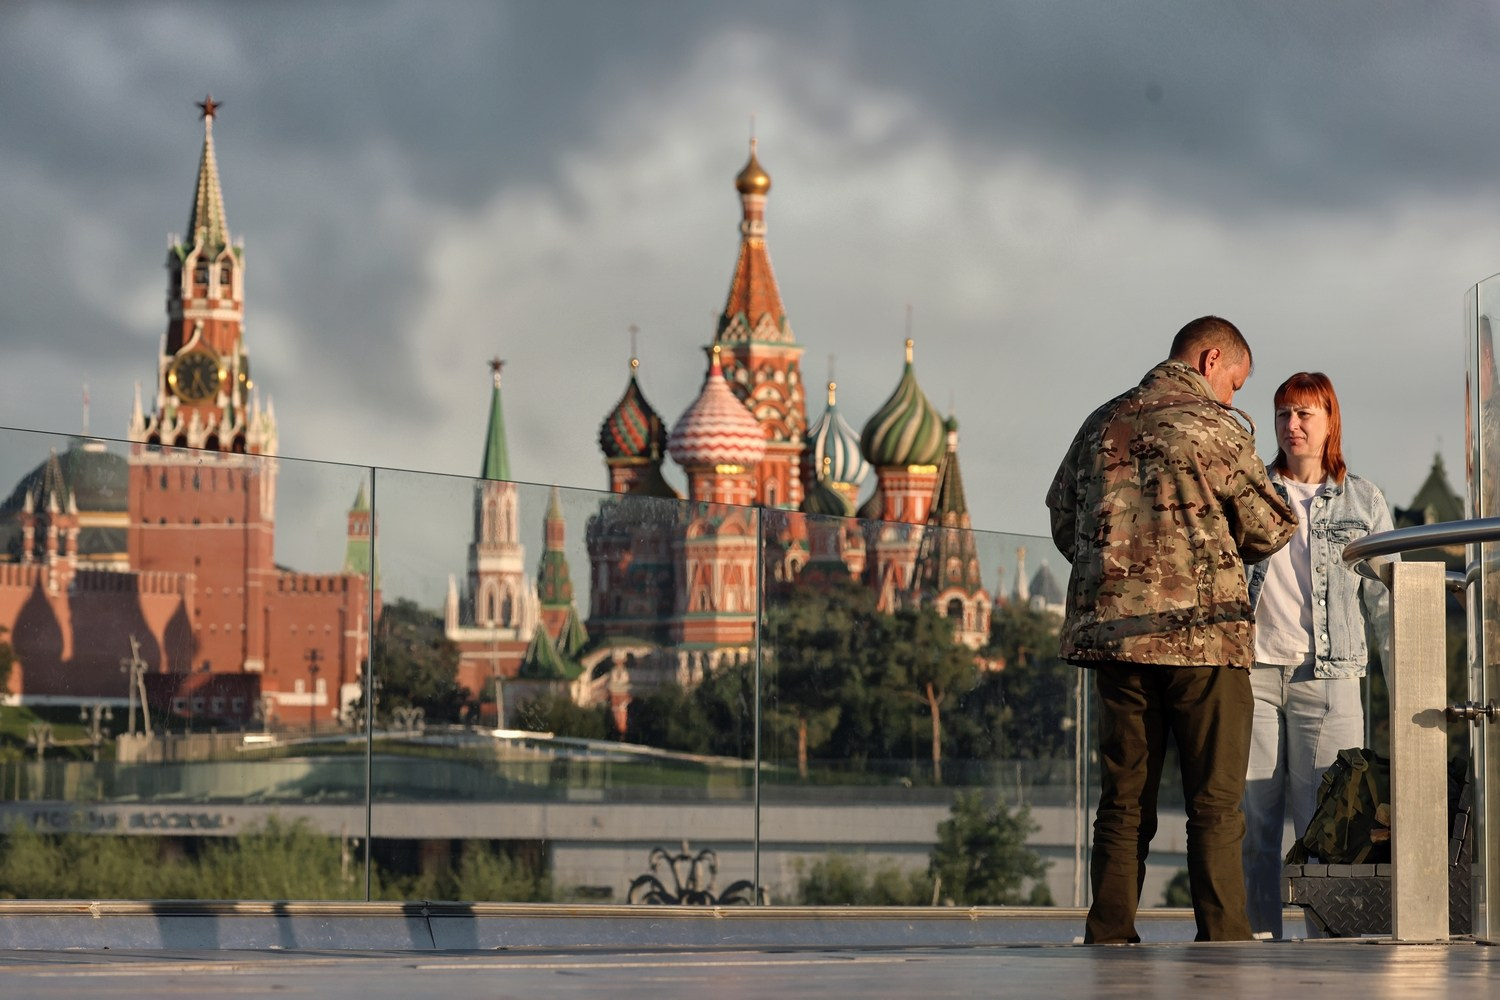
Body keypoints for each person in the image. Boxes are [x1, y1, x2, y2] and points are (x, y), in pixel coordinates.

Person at [1046, 316, 1297, 943]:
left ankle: (1108, 934)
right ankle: (1224, 941)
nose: (1233, 398)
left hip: (1117, 644)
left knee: (1123, 804)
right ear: (1212, 360)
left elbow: (1062, 517)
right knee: (1213, 806)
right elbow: (1269, 529)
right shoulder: (1214, 428)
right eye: (1236, 384)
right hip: (1204, 643)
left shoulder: (1103, 421)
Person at [1241, 372, 1393, 938]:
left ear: (1330, 421)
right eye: (1283, 414)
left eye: (1305, 414)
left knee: (1325, 825)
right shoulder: (1251, 489)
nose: (1292, 425)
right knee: (1254, 821)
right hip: (1252, 673)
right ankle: (1252, 944)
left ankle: (1325, 945)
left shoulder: (1364, 500)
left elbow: (1384, 600)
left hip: (1329, 679)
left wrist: (1404, 686)